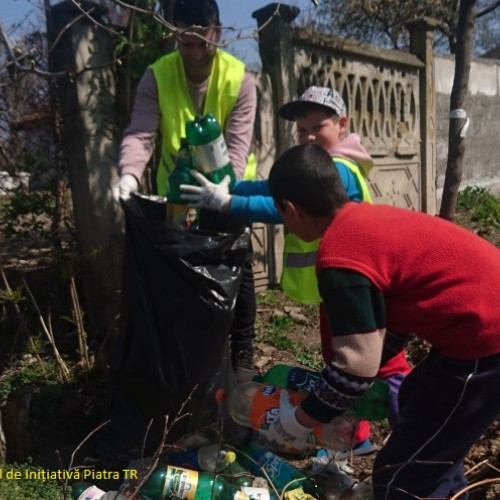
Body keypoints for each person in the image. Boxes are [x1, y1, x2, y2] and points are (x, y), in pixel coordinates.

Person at [181, 86, 411, 454]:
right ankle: (353, 433)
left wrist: (227, 203)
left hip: (355, 282)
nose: (308, 137)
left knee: (376, 363)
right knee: (343, 362)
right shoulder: (316, 165)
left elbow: (283, 206)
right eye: (301, 131)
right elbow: (274, 188)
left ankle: (408, 429)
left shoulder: (339, 170)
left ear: (342, 125)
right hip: (333, 287)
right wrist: (232, 186)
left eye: (317, 127)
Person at [265, 143, 500, 500]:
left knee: (400, 480)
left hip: (486, 342)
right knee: (417, 411)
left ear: (290, 209)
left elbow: (355, 367)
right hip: (475, 331)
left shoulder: (340, 253)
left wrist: (298, 422)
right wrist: (341, 394)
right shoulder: (366, 221)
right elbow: (397, 317)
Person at [111, 0, 258, 382]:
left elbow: (239, 143)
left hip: (227, 191)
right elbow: (142, 132)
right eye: (185, 43)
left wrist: (225, 190)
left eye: (202, 43)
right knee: (185, 270)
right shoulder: (157, 76)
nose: (193, 53)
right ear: (174, 33)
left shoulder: (239, 79)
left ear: (218, 32)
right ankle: (195, 357)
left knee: (236, 269)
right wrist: (129, 175)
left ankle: (242, 353)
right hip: (179, 197)